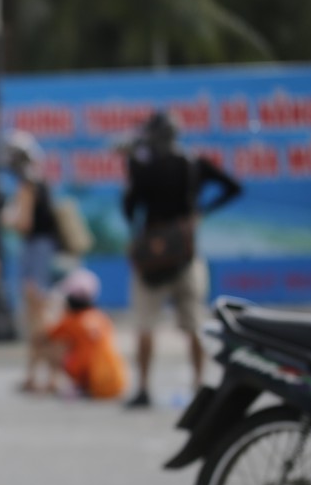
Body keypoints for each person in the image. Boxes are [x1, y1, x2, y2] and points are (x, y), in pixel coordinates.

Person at [121, 110, 242, 408]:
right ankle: (199, 387)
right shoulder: (193, 164)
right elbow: (233, 187)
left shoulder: (145, 168)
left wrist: (132, 163)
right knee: (193, 324)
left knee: (146, 324)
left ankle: (144, 388)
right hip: (186, 254)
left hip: (152, 257)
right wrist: (200, 213)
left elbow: (129, 207)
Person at [4, 132, 63, 386]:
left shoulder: (28, 183)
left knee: (39, 316)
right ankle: (36, 375)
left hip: (35, 250)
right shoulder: (39, 180)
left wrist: (7, 218)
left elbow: (24, 223)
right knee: (38, 315)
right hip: (43, 249)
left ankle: (51, 375)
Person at [34, 269, 126, 400]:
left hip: (94, 380)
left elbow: (43, 337)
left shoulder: (70, 321)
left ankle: (79, 384)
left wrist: (41, 311)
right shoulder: (102, 317)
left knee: (57, 347)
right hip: (116, 380)